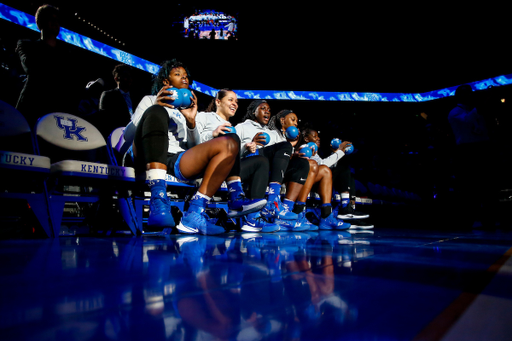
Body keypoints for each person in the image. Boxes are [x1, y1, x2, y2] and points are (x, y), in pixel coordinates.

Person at [131, 59, 242, 235]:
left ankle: (194, 213)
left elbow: (196, 147)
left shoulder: (185, 111)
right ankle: (158, 199)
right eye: (178, 75)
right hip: (145, 155)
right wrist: (155, 106)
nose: (185, 79)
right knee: (157, 112)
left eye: (186, 76)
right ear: (166, 82)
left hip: (175, 159)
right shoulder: (150, 100)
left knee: (230, 143)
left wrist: (191, 121)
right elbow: (130, 134)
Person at [195, 89, 278, 233]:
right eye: (230, 100)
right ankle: (235, 198)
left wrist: (247, 148)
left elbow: (235, 158)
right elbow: (193, 143)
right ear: (218, 101)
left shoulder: (232, 127)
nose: (235, 104)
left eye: (236, 101)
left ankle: (252, 218)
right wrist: (213, 134)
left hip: (228, 168)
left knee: (261, 161)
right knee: (232, 139)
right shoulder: (204, 117)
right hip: (209, 166)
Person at [235, 102, 310, 231]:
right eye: (263, 108)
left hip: (268, 168)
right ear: (254, 111)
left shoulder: (273, 133)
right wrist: (247, 147)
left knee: (302, 163)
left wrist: (294, 154)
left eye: (269, 110)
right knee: (282, 147)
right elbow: (232, 151)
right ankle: (273, 202)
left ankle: (283, 210)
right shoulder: (241, 127)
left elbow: (281, 156)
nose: (267, 112)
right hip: (248, 162)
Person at [269, 112, 350, 231]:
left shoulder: (302, 144)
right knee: (311, 164)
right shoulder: (275, 135)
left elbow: (322, 164)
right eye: (293, 120)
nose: (296, 123)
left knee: (325, 170)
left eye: (297, 121)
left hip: (297, 176)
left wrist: (337, 152)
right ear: (282, 121)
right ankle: (297, 211)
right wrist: (340, 152)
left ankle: (326, 216)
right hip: (279, 175)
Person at [301, 127, 373, 230]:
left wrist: (336, 153)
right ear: (306, 139)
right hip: (307, 182)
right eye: (314, 136)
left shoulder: (314, 151)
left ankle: (348, 209)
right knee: (343, 169)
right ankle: (345, 209)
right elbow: (323, 166)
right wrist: (339, 152)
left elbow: (324, 166)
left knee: (346, 171)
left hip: (317, 180)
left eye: (318, 136)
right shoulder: (306, 148)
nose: (318, 138)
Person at [15, 4, 75, 128]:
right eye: (51, 19)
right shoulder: (26, 45)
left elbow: (70, 80)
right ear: (41, 22)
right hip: (31, 108)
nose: (55, 23)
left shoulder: (67, 52)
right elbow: (32, 68)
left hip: (58, 111)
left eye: (57, 20)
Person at [448, 84, 496, 229]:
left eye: (470, 93)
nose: (470, 96)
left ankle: (488, 221)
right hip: (467, 151)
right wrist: (482, 104)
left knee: (487, 187)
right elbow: (467, 121)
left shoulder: (475, 111)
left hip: (482, 148)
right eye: (466, 93)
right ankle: (467, 221)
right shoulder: (455, 112)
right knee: (470, 188)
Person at [97, 64, 136, 138]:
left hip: (135, 137)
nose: (129, 79)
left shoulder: (136, 97)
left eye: (130, 76)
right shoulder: (108, 95)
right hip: (116, 137)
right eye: (125, 76)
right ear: (116, 78)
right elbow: (104, 118)